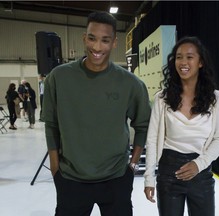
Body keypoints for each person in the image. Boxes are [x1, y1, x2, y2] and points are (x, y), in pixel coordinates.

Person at [42, 11, 151, 216]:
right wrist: (55, 168)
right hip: (71, 180)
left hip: (116, 180)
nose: (97, 47)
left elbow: (143, 125)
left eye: (105, 40)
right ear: (84, 38)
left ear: (114, 43)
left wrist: (132, 166)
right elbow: (51, 124)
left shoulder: (131, 84)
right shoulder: (59, 77)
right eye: (92, 38)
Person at [144, 36, 219, 216]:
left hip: (201, 172)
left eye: (189, 57)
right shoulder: (162, 98)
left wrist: (198, 164)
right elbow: (151, 140)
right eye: (179, 57)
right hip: (168, 173)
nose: (183, 62)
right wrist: (148, 178)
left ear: (200, 62)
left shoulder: (216, 98)